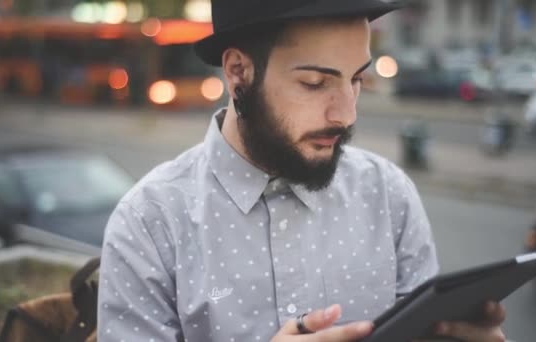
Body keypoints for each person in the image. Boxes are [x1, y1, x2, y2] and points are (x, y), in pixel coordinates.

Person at [97, 1, 507, 341]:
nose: (346, 115)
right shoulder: (149, 224)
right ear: (239, 72)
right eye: (315, 83)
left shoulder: (389, 195)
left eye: (357, 80)